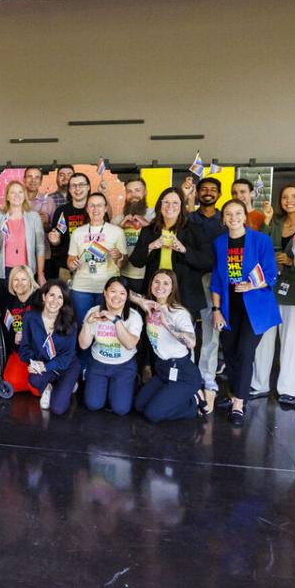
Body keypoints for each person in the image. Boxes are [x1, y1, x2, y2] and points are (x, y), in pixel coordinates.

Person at [210, 200, 281, 427]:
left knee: (244, 351)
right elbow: (217, 280)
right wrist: (216, 310)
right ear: (224, 218)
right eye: (228, 214)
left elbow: (270, 273)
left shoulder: (261, 240)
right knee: (229, 351)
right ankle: (233, 394)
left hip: (255, 307)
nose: (233, 217)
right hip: (230, 307)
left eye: (238, 213)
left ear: (245, 216)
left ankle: (239, 404)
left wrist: (251, 285)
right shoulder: (220, 243)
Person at [251, 185, 295, 405]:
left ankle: (291, 389)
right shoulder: (275, 222)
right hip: (269, 288)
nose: (289, 200)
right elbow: (259, 245)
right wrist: (266, 220)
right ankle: (258, 384)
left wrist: (291, 262)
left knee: (293, 340)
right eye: (285, 197)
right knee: (263, 339)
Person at [128, 186, 212, 338]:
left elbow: (208, 261)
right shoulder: (149, 230)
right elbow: (136, 261)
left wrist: (184, 250)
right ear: (160, 205)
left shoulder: (195, 229)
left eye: (175, 203)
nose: (170, 207)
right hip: (156, 292)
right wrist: (152, 246)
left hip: (184, 293)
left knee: (182, 338)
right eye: (166, 202)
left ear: (182, 206)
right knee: (154, 335)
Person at [131, 270, 202, 422]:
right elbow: (126, 292)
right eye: (156, 282)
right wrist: (141, 302)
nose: (160, 286)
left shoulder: (178, 313)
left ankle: (194, 403)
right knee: (139, 405)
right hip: (163, 370)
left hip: (183, 373)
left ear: (172, 288)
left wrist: (166, 322)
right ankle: (174, 397)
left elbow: (192, 343)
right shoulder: (149, 305)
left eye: (166, 283)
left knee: (152, 414)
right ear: (151, 285)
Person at [187, 177, 227, 406]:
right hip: (190, 280)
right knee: (187, 330)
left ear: (219, 195)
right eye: (204, 190)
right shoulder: (189, 218)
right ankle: (187, 373)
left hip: (217, 281)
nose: (208, 193)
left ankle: (207, 376)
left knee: (212, 332)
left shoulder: (225, 220)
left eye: (213, 190)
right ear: (198, 193)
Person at [79, 277, 142, 414]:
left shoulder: (134, 316)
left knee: (121, 409)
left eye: (122, 293)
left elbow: (130, 344)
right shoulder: (93, 312)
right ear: (105, 293)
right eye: (113, 291)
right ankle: (104, 388)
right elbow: (83, 345)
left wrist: (115, 320)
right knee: (93, 405)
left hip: (123, 366)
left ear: (126, 297)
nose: (117, 297)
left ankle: (126, 384)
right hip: (98, 364)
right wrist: (88, 324)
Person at [19, 280, 81, 414]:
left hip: (67, 366)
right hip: (46, 364)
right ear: (43, 297)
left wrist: (45, 367)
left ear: (64, 301)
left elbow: (66, 357)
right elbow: (24, 348)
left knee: (57, 409)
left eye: (60, 297)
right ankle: (48, 388)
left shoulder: (70, 321)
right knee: (34, 378)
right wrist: (33, 363)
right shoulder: (30, 318)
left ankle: (69, 384)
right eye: (51, 295)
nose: (55, 300)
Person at [66, 191, 127, 318]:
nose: (96, 209)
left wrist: (119, 256)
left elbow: (123, 264)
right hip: (81, 287)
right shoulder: (78, 232)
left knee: (104, 326)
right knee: (83, 324)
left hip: (107, 288)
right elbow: (70, 261)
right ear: (87, 208)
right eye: (92, 205)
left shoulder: (117, 232)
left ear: (105, 208)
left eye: (99, 205)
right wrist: (72, 264)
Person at [0, 180, 47, 294]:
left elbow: (40, 247)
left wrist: (40, 274)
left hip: (27, 271)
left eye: (20, 192)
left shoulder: (34, 218)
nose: (17, 196)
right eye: (13, 192)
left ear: (24, 196)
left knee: (26, 307)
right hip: (3, 272)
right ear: (7, 196)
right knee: (6, 310)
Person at [0, 265, 39, 395]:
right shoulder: (9, 302)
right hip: (21, 351)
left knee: (37, 389)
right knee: (12, 382)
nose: (19, 283)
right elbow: (7, 329)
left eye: (24, 279)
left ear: (31, 281)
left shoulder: (40, 299)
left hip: (40, 352)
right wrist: (14, 336)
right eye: (16, 279)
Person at [113, 176, 155, 295]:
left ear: (145, 192)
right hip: (123, 274)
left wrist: (146, 225)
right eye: (129, 191)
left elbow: (162, 237)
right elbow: (108, 243)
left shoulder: (155, 215)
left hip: (148, 275)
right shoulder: (118, 219)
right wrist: (120, 227)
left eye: (137, 190)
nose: (133, 195)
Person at [46, 172, 90, 278]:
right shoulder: (61, 211)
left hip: (91, 266)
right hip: (66, 268)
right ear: (69, 189)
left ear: (88, 187)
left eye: (81, 184)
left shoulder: (95, 210)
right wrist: (54, 240)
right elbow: (57, 240)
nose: (77, 188)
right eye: (73, 185)